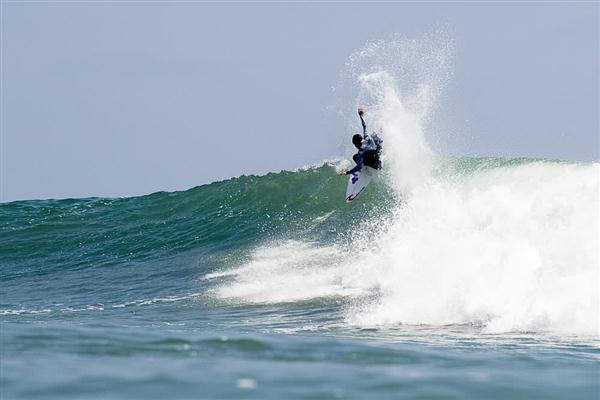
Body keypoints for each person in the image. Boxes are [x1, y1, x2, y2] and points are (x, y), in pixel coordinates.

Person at [337, 107, 383, 176]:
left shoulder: (361, 151)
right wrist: (361, 116)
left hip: (374, 165)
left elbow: (358, 167)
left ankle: (365, 170)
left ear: (356, 144)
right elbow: (364, 126)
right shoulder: (366, 137)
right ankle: (379, 133)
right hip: (378, 161)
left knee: (356, 157)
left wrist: (347, 172)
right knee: (373, 137)